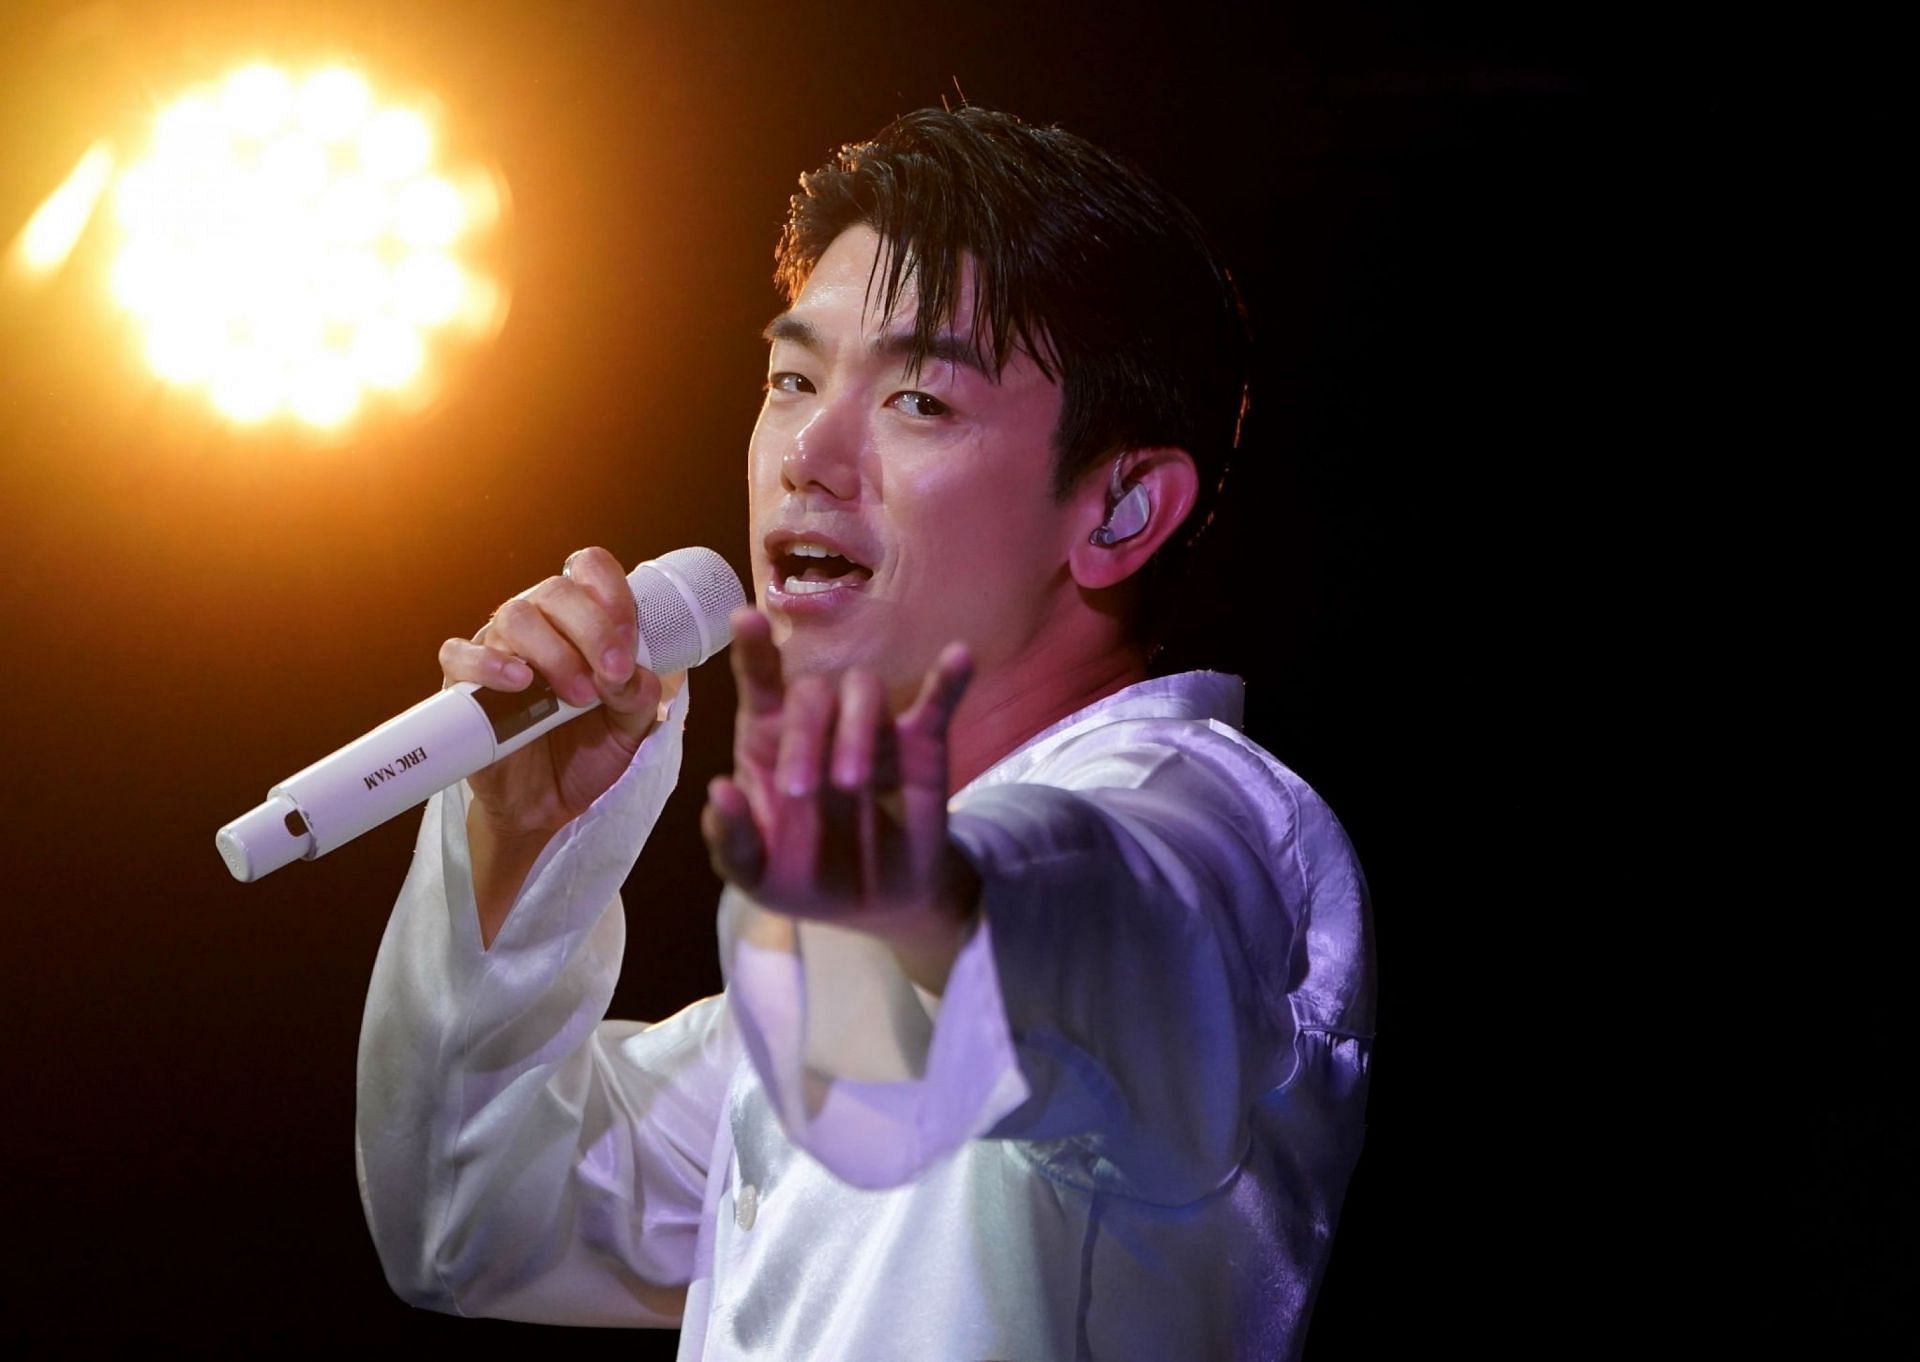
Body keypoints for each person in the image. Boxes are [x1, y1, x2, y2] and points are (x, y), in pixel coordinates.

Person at [356, 106, 1374, 1360]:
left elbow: (1088, 922)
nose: (809, 456)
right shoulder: (830, 977)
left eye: (919, 400)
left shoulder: (1200, 828)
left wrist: (919, 906)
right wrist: (520, 845)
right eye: (792, 380)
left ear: (1117, 509)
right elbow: (470, 1229)